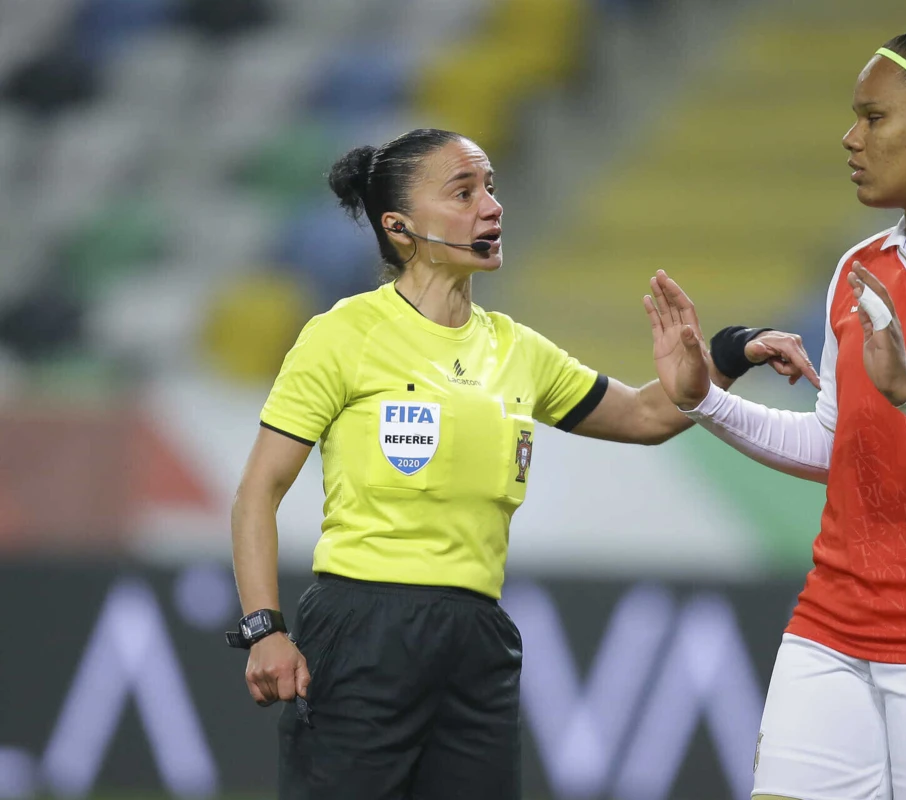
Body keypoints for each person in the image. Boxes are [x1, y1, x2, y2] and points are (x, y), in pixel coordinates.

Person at [227, 127, 814, 799]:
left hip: (477, 636)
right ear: (401, 226)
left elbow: (649, 416)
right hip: (364, 627)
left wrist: (732, 351)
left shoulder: (517, 349)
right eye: (464, 191)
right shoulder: (342, 335)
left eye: (492, 188)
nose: (492, 206)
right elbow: (257, 491)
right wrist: (263, 630)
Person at [647, 5, 906, 798]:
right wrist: (702, 403)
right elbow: (839, 448)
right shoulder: (860, 266)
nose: (851, 140)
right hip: (829, 626)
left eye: (872, 117)